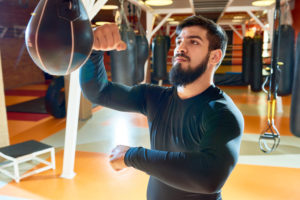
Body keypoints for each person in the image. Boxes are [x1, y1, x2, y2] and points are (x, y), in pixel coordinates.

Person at [79, 15, 244, 200]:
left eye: (194, 42)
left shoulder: (222, 113)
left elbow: (209, 178)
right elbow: (98, 92)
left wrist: (132, 156)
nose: (180, 48)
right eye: (179, 40)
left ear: (215, 56)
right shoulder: (155, 97)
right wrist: (92, 52)